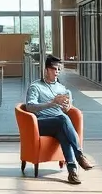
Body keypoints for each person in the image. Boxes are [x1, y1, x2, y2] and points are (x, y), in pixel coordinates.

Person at [23, 55, 94, 184]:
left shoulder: (62, 88)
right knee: (62, 120)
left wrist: (67, 107)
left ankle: (72, 172)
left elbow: (67, 109)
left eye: (59, 70)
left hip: (58, 123)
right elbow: (29, 107)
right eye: (54, 69)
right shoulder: (36, 87)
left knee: (63, 131)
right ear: (46, 70)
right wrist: (51, 103)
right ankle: (80, 155)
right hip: (40, 123)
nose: (57, 72)